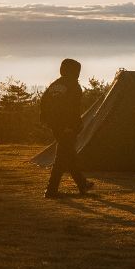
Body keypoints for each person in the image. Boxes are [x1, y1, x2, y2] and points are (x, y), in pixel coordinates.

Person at [40, 58, 94, 198]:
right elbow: (73, 109)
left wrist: (46, 120)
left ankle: (82, 184)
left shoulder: (54, 85)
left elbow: (44, 103)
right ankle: (51, 190)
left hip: (56, 126)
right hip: (67, 126)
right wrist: (71, 125)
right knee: (62, 157)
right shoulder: (74, 86)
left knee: (67, 154)